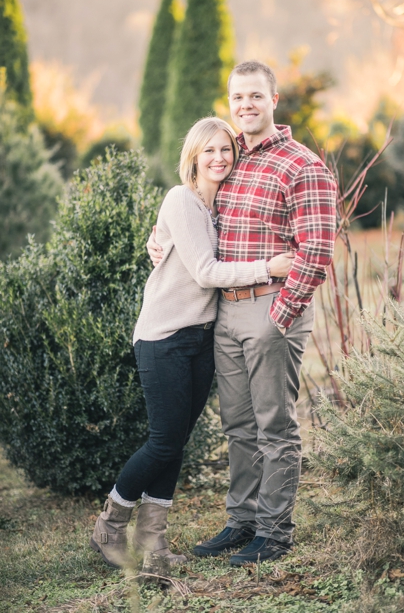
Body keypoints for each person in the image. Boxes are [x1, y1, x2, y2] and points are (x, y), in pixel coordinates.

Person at [148, 60, 337, 565]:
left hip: (271, 311)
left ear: (274, 99)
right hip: (224, 315)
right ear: (230, 104)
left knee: (275, 426)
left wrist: (282, 313)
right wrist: (160, 235)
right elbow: (195, 209)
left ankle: (274, 534)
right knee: (238, 425)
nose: (246, 105)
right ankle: (242, 521)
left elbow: (317, 250)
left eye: (255, 96)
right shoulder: (231, 159)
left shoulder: (302, 165)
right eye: (237, 98)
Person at [91, 117, 296, 568]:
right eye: (210, 151)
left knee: (176, 442)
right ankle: (109, 525)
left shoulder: (218, 206)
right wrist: (270, 267)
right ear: (194, 157)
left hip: (201, 339)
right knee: (163, 441)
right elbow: (205, 272)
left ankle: (154, 545)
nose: (219, 158)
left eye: (226, 150)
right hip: (163, 337)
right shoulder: (181, 199)